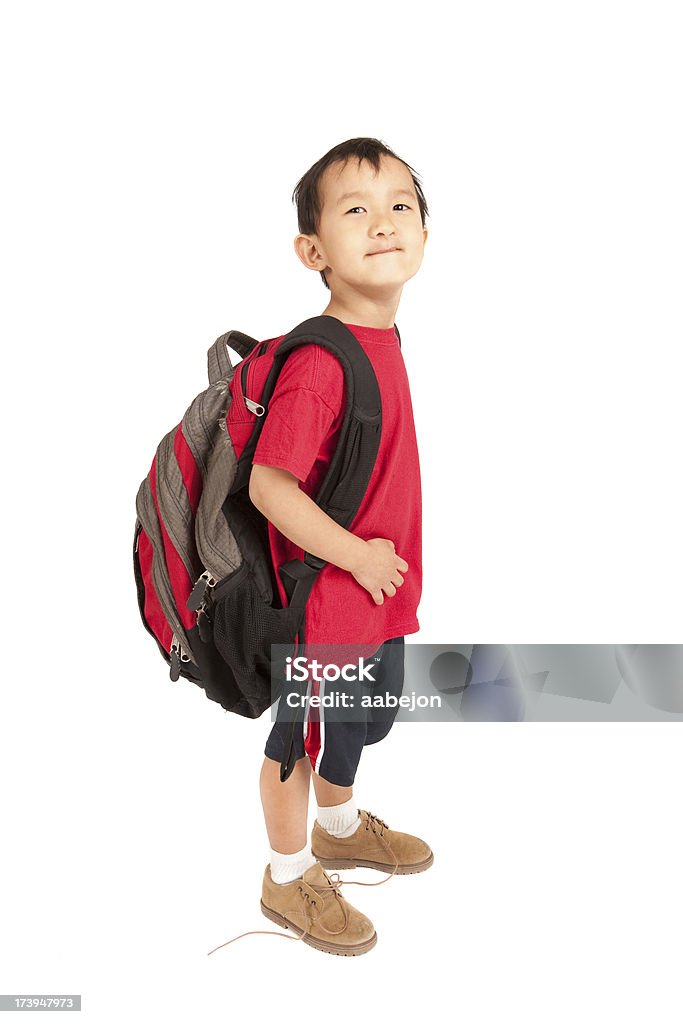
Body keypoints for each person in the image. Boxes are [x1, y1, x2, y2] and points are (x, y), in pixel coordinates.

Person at [220, 138, 433, 957]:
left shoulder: (383, 335)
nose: (383, 222)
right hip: (330, 593)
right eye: (355, 210)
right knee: (295, 735)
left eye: (400, 206)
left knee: (355, 723)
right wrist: (358, 558)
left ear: (424, 235)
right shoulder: (320, 362)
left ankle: (339, 828)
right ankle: (285, 875)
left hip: (375, 591)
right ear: (312, 251)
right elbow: (270, 490)